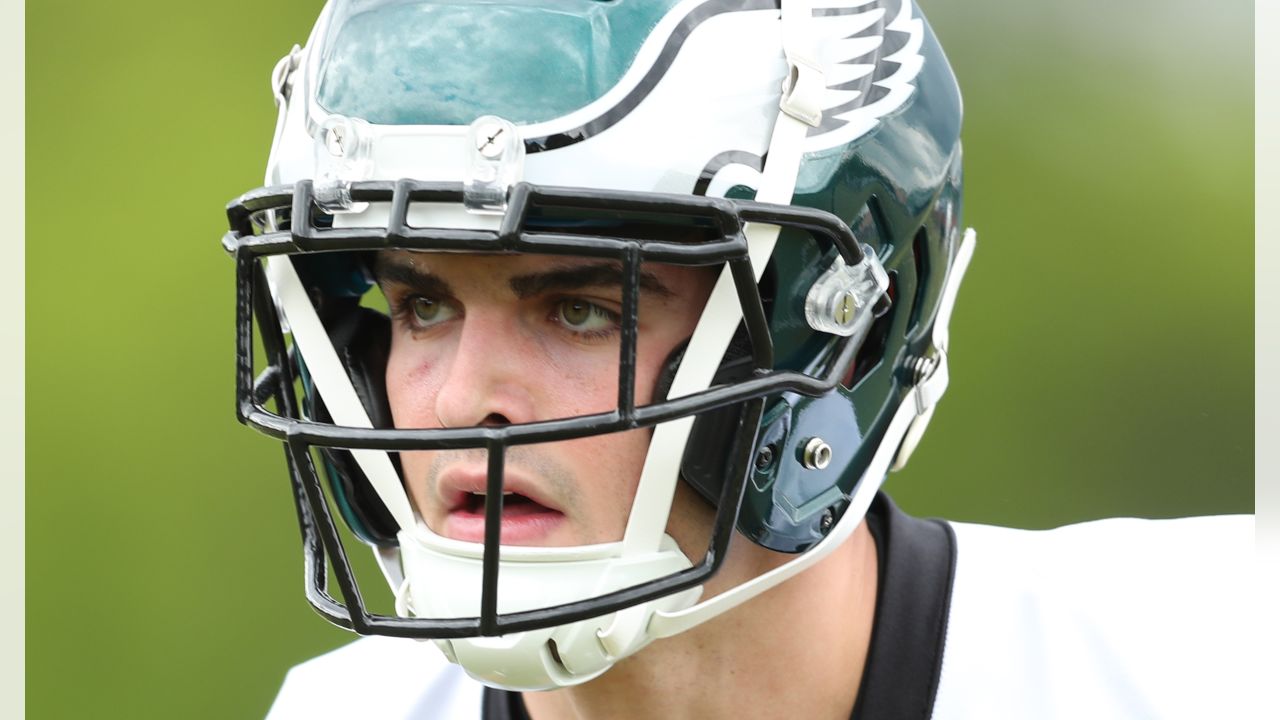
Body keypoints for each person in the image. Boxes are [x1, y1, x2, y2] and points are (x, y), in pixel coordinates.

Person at [223, 0, 1254, 717]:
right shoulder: (337, 710)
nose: (457, 400)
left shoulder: (1213, 663)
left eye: (581, 311)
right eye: (420, 306)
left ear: (838, 339)